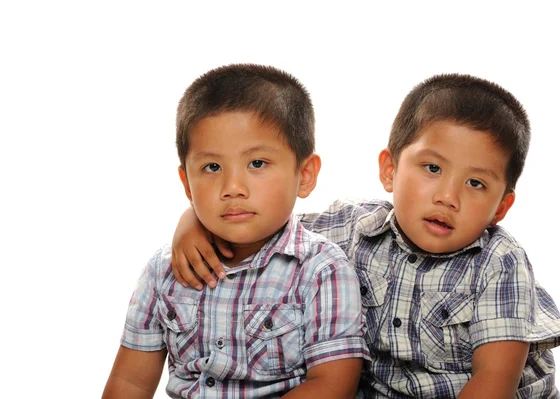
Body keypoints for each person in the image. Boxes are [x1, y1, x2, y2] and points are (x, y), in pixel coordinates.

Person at [170, 73, 560, 398]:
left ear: (501, 206)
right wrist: (194, 220)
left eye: (476, 183)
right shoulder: (354, 229)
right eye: (431, 168)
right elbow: (264, 221)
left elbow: (494, 382)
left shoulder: (499, 262)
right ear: (390, 169)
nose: (448, 197)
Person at [102, 64, 370, 399]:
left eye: (257, 163)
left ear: (304, 175)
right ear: (186, 183)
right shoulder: (163, 271)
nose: (232, 187)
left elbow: (333, 385)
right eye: (212, 167)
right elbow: (131, 382)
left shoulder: (321, 269)